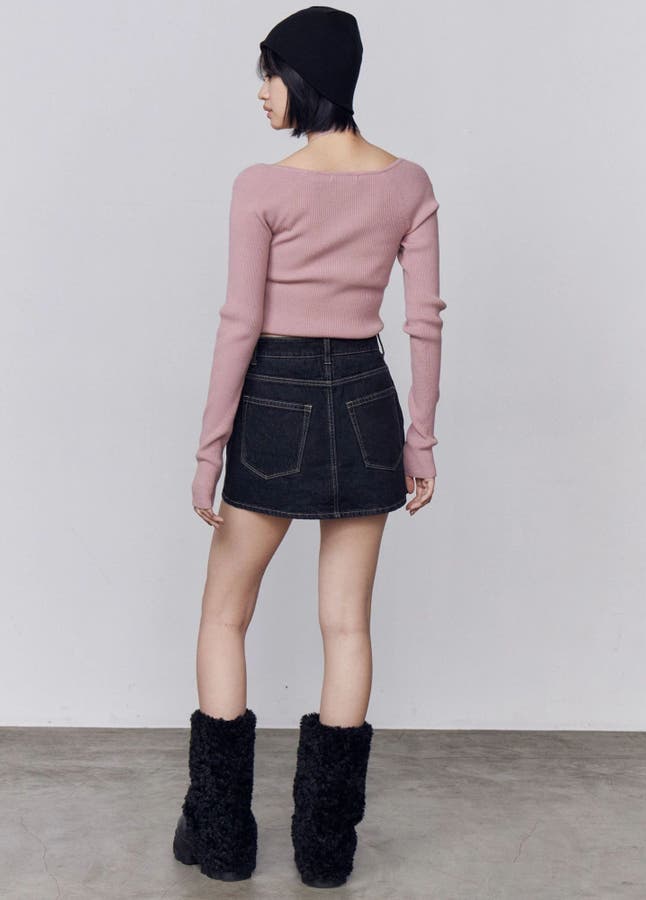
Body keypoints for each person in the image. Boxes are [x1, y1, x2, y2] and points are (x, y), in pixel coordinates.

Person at [172, 5, 447, 888]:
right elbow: (424, 322)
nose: (261, 92)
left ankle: (223, 837)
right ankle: (326, 851)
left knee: (224, 614)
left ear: (305, 79)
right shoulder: (408, 183)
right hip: (367, 399)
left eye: (270, 74)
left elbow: (240, 322)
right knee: (348, 624)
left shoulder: (262, 186)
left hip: (276, 401)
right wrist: (420, 439)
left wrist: (210, 450)